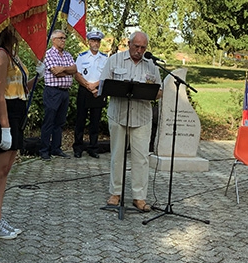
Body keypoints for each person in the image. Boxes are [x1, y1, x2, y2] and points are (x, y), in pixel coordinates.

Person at [99, 31, 162, 213]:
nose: (139, 50)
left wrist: (153, 91)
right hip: (118, 114)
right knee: (117, 155)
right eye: (136, 47)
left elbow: (159, 91)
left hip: (141, 117)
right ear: (129, 44)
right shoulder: (115, 60)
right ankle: (115, 193)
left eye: (143, 48)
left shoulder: (152, 66)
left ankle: (139, 197)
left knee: (141, 158)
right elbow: (104, 83)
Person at [0, 27, 35, 239]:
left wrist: (37, 77)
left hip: (17, 110)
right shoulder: (1, 54)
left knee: (5, 170)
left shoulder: (14, 56)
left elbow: (20, 88)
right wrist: (5, 127)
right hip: (5, 114)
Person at [39, 29, 76, 160]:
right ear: (53, 40)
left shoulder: (67, 55)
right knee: (49, 121)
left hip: (65, 92)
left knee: (59, 122)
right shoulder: (48, 54)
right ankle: (44, 150)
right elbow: (55, 72)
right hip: (52, 92)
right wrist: (67, 70)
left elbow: (74, 69)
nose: (63, 40)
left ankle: (56, 148)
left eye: (65, 38)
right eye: (61, 38)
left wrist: (64, 70)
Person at [72, 30, 108, 158]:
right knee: (80, 120)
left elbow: (106, 75)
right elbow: (77, 74)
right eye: (93, 41)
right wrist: (89, 86)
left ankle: (93, 148)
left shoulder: (105, 58)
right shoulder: (82, 57)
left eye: (98, 41)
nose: (96, 43)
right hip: (85, 90)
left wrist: (95, 87)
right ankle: (78, 147)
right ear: (89, 42)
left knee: (95, 121)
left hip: (98, 91)